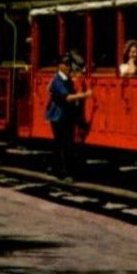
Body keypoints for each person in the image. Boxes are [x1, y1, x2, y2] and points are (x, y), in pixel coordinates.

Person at [46, 53, 93, 181]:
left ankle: (56, 169)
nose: (68, 66)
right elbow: (67, 97)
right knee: (64, 144)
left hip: (66, 116)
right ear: (60, 65)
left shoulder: (66, 79)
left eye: (69, 63)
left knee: (63, 144)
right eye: (66, 63)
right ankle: (64, 173)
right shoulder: (57, 81)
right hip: (58, 116)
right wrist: (84, 95)